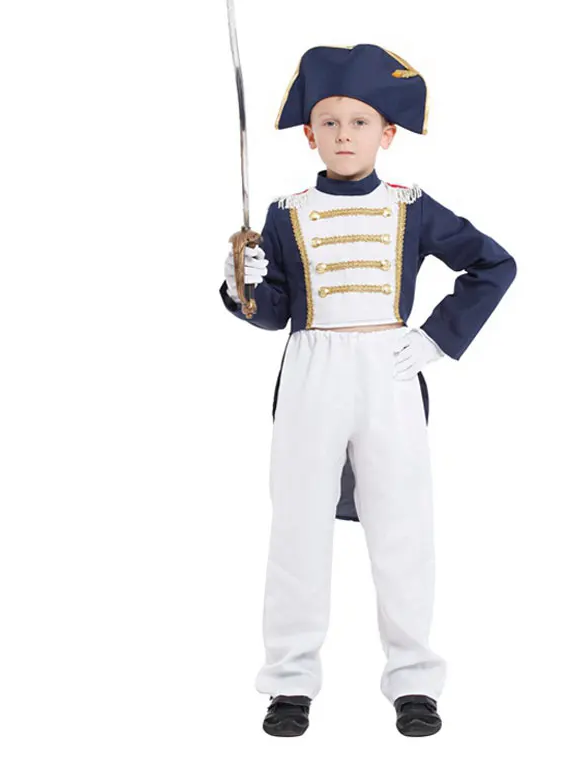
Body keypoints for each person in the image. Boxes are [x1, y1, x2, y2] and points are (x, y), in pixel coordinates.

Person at [220, 44, 517, 737]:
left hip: (391, 370)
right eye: (330, 122)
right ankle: (290, 681)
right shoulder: (285, 212)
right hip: (311, 371)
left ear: (386, 133)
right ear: (309, 134)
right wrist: (242, 286)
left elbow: (493, 265)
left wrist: (437, 339)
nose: (344, 134)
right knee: (297, 526)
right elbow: (275, 311)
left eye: (360, 122)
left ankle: (414, 680)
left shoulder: (411, 206)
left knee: (402, 525)